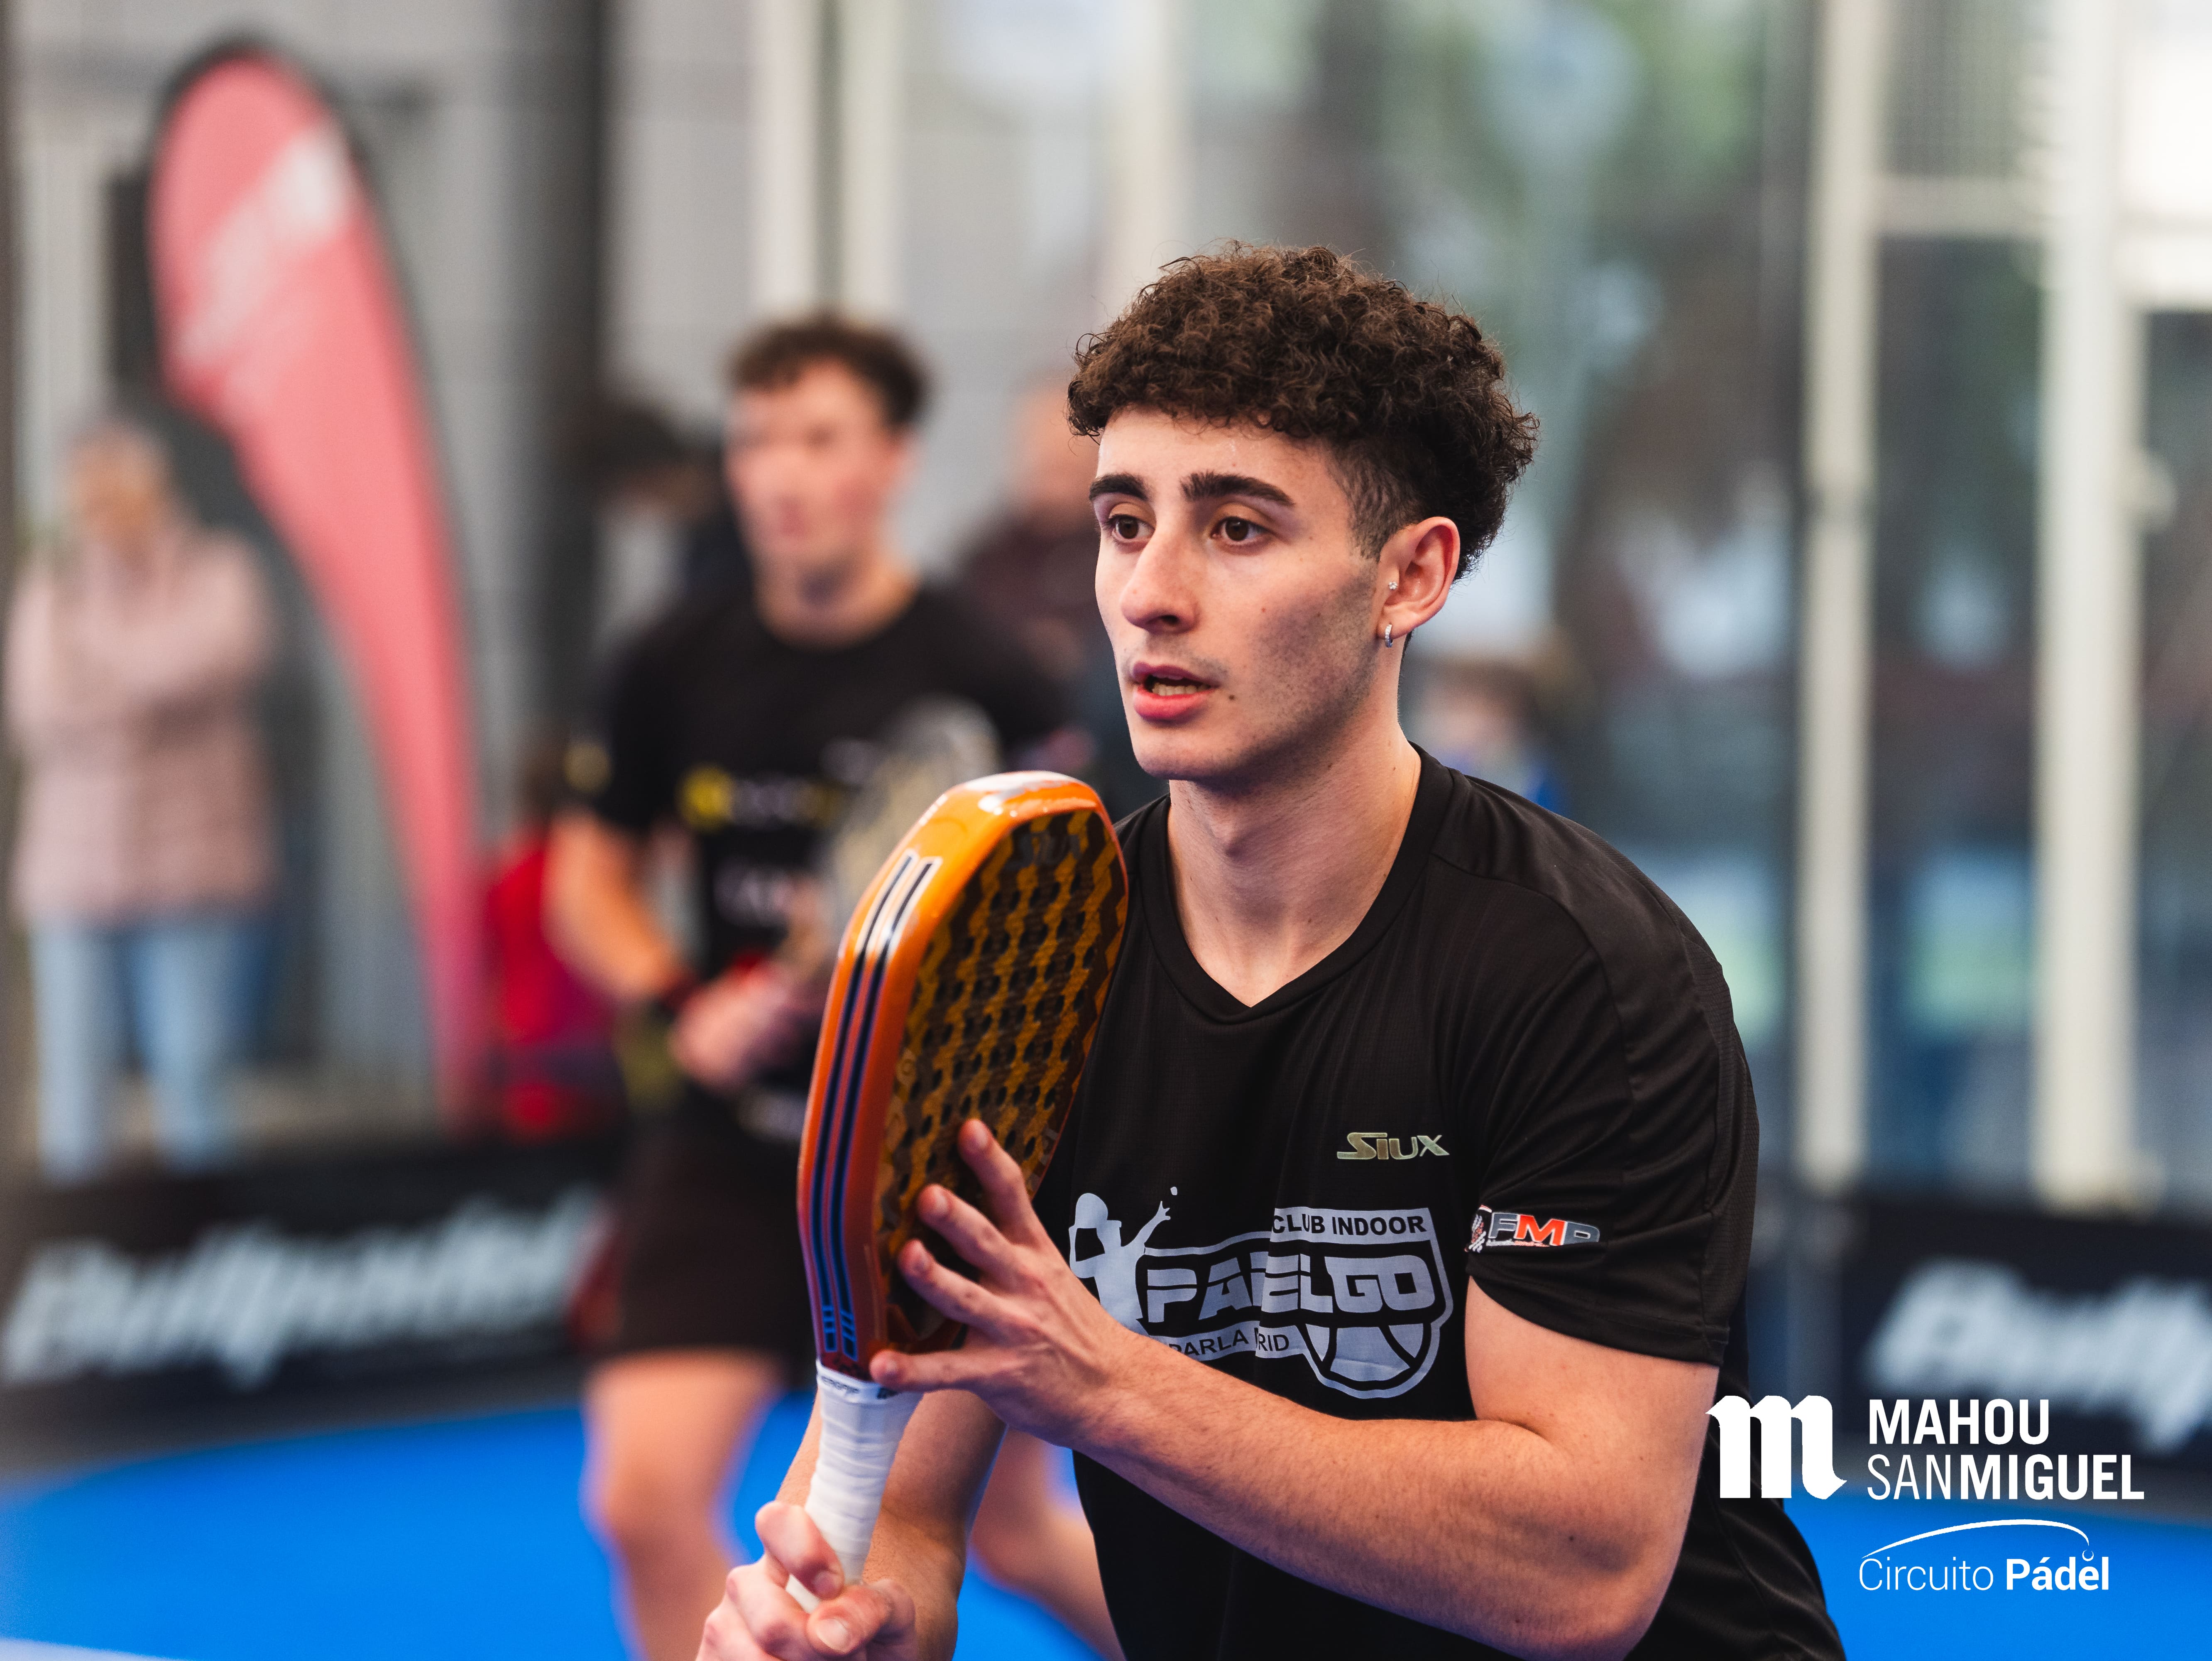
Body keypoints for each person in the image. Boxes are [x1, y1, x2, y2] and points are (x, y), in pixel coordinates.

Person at [700, 245, 1841, 1660]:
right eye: (1125, 523)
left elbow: (1581, 1569)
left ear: (1410, 576)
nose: (1148, 593)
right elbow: (907, 1524)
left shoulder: (1587, 977)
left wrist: (1105, 1388)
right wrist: (852, 1620)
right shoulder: (1022, 965)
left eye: (1235, 528)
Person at [545, 316, 1119, 1661]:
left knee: (1003, 1535)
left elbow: (1065, 914)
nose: (780, 475)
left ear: (892, 461)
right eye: (756, 442)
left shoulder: (985, 672)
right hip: (729, 1144)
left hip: (919, 1171)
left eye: (818, 439)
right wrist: (680, 1003)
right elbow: (587, 882)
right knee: (638, 1503)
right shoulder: (666, 658)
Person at [5, 413, 276, 1182]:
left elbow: (216, 656)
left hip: (192, 862)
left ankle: (208, 1235)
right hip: (74, 869)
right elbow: (39, 706)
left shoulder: (219, 571)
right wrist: (152, 693)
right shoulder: (53, 586)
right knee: (75, 1082)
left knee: (193, 1064)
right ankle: (77, 1239)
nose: (96, 506)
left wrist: (103, 672)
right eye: (84, 492)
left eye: (111, 487)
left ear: (151, 487)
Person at [956, 382, 1150, 817]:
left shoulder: (1128, 542)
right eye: (1039, 448)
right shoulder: (984, 560)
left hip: (1111, 745)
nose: (1051, 462)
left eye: (1065, 450)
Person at [482, 737, 624, 1140]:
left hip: (529, 1063)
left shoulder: (504, 879)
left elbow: (488, 979)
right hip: (590, 1056)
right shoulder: (598, 884)